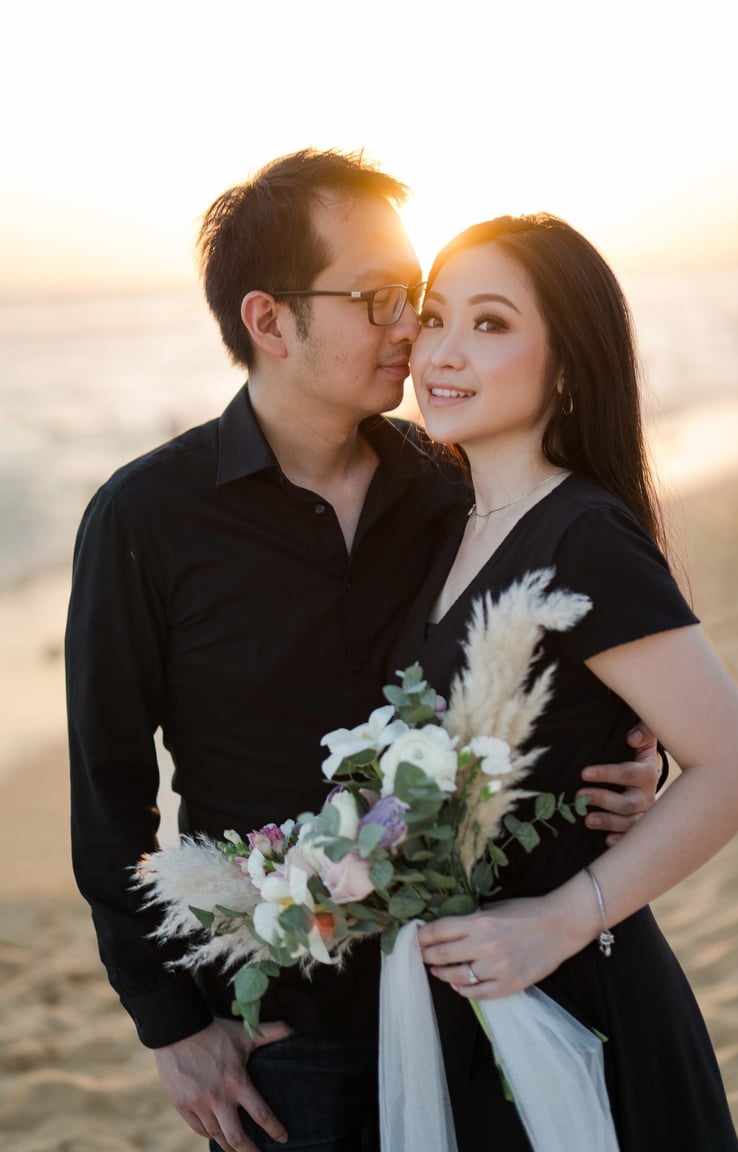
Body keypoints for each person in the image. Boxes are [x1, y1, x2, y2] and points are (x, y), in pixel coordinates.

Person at [66, 153, 660, 1152]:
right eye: (379, 297)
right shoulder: (148, 518)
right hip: (286, 1023)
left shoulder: (454, 486)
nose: (411, 329)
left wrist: (633, 764)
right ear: (269, 321)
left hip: (473, 985)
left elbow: (552, 666)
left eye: (414, 298)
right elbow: (109, 800)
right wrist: (171, 1027)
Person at [386, 213, 738, 1150]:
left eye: (490, 323)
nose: (443, 351)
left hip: (573, 997)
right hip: (466, 1006)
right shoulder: (442, 522)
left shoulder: (584, 535)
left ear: (565, 364)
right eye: (435, 318)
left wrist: (561, 920)